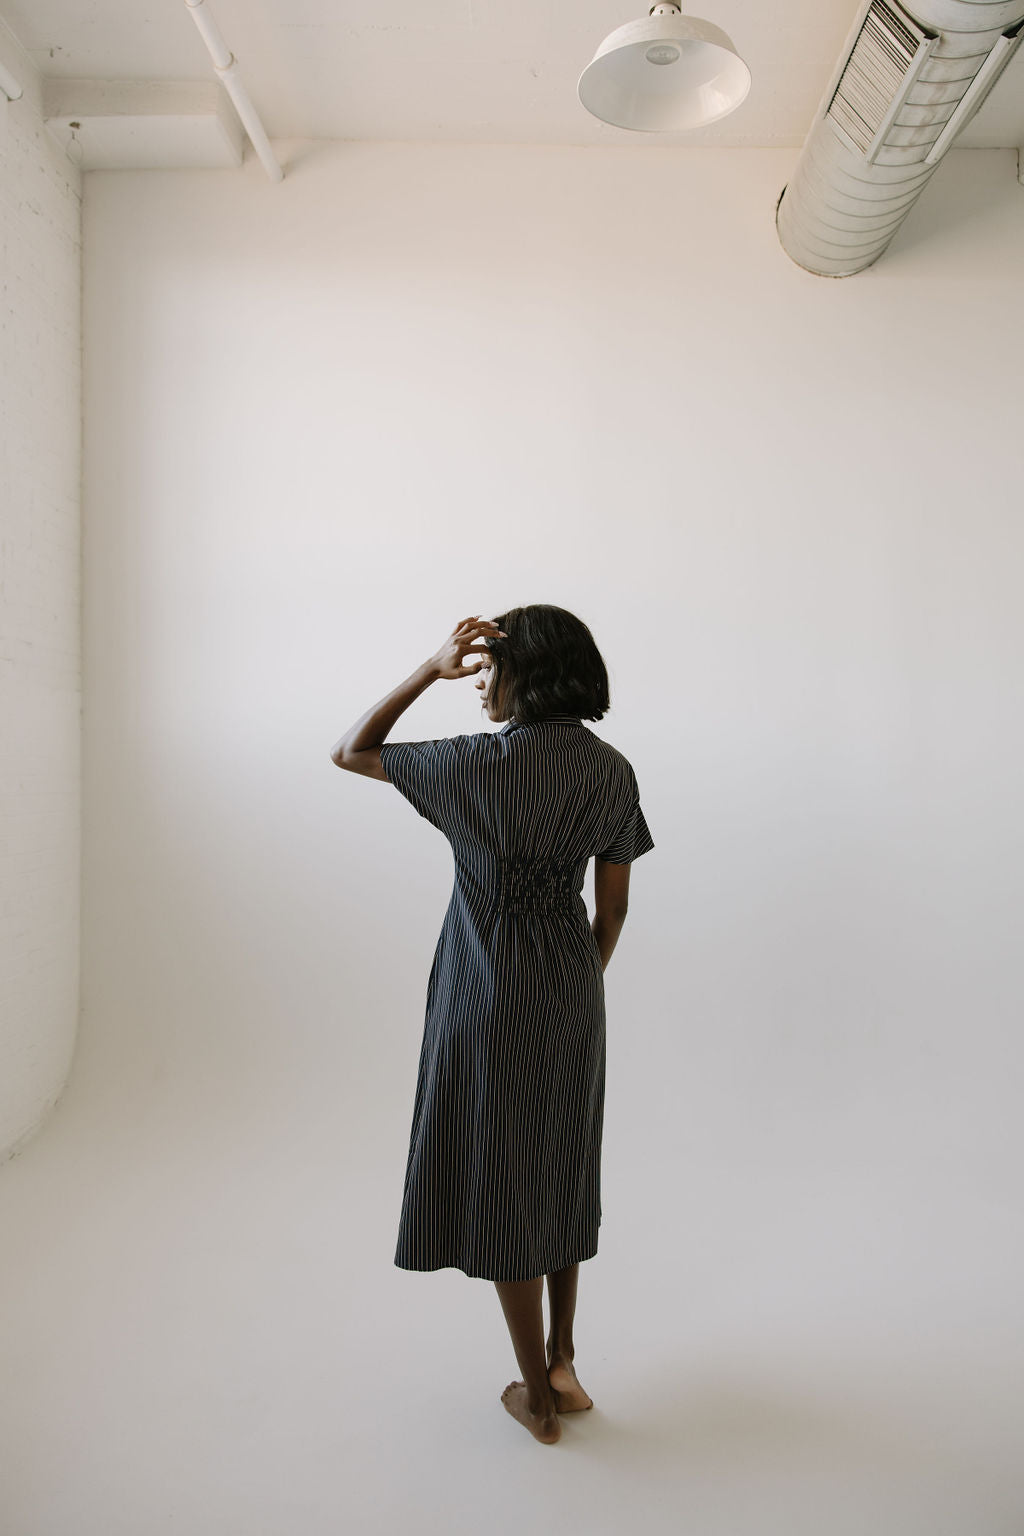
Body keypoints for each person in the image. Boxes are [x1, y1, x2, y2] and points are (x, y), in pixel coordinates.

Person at [331, 607, 654, 1445]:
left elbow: (351, 751)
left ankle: (537, 1404)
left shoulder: (475, 764)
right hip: (574, 996)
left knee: (506, 1181)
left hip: (485, 997)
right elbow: (612, 913)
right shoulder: (612, 772)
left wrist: (423, 670)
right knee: (559, 1164)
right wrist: (573, 986)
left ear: (524, 675)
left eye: (485, 670)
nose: (477, 682)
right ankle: (564, 1365)